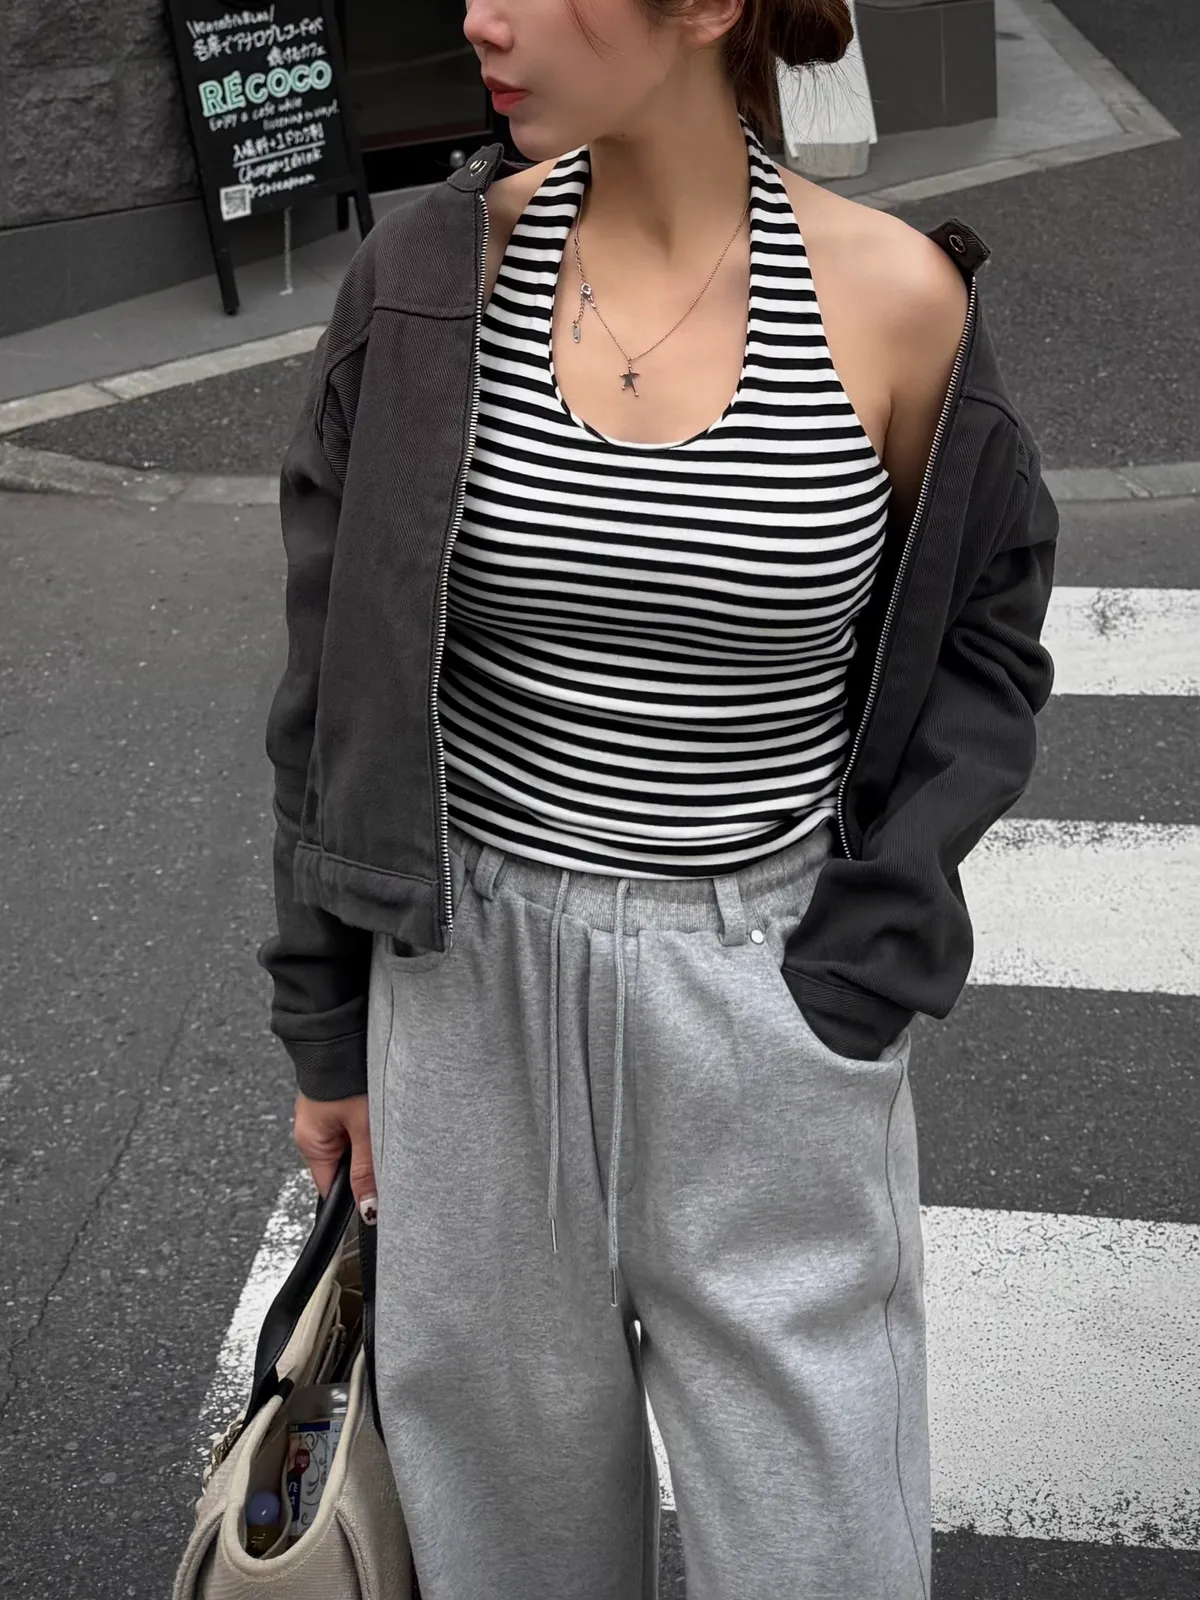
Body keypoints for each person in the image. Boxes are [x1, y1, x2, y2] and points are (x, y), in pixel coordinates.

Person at [257, 1, 1058, 1596]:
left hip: (767, 1007)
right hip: (467, 1000)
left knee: (825, 1551)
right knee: (513, 1559)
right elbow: (331, 678)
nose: (478, 15)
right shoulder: (427, 283)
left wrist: (869, 950)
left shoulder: (897, 301)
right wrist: (330, 1029)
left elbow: (989, 634)